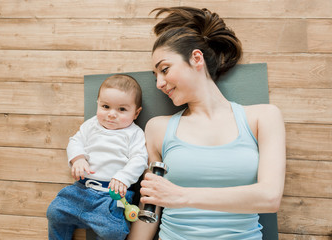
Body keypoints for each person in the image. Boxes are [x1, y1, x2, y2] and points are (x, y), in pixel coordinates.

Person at [128, 6, 286, 240]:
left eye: (165, 69)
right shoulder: (157, 129)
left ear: (196, 58)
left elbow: (269, 197)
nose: (159, 83)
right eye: (156, 76)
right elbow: (150, 212)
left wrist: (182, 196)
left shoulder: (263, 118)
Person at [47, 74, 148, 240]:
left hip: (112, 197)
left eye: (122, 109)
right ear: (98, 104)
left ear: (136, 113)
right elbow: (75, 141)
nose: (111, 114)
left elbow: (139, 159)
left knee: (113, 231)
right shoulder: (91, 125)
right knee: (55, 212)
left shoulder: (134, 134)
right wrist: (78, 158)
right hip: (81, 190)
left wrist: (123, 177)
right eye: (106, 106)